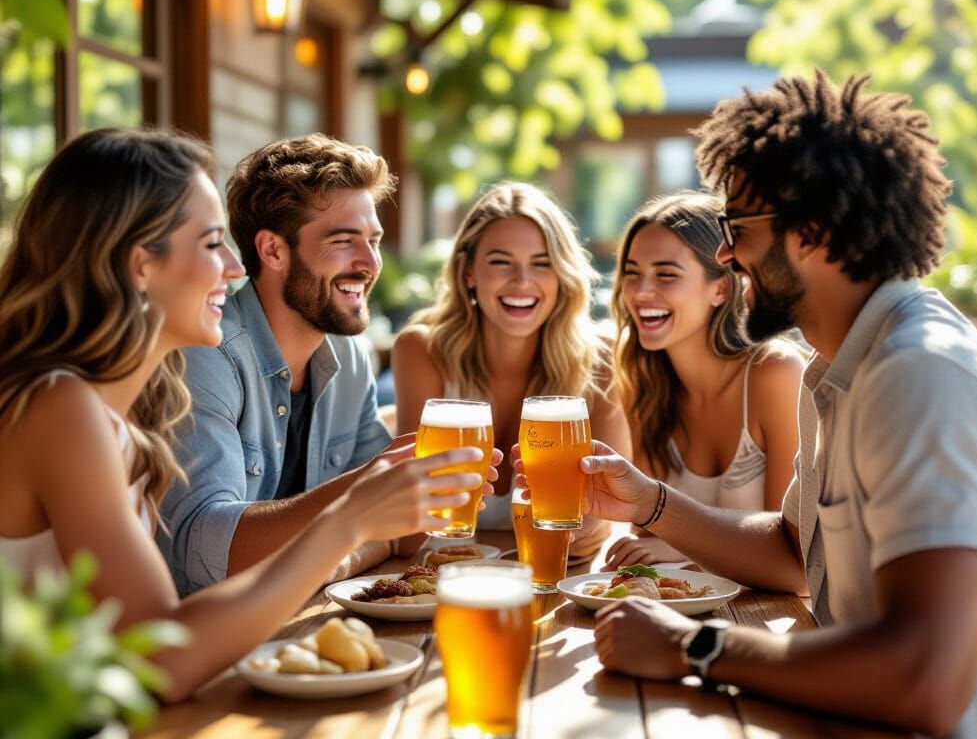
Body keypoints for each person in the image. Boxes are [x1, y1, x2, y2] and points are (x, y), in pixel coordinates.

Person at [532, 72, 977, 739]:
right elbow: (798, 554)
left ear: (813, 233)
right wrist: (651, 503)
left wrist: (695, 645)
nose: (726, 255)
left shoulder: (919, 375)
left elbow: (926, 677)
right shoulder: (838, 367)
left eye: (739, 229)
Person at [0, 128, 488, 700]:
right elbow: (162, 658)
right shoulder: (63, 409)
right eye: (212, 244)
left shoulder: (124, 412)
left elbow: (156, 638)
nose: (235, 268)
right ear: (140, 266)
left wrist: (367, 513)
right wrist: (348, 520)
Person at [160, 134, 422, 595]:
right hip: (206, 649)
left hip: (301, 629)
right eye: (344, 241)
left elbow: (394, 532)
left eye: (373, 240)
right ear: (273, 251)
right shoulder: (206, 356)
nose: (369, 262)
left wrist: (343, 554)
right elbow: (204, 550)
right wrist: (359, 496)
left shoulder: (349, 356)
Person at [392, 182, 630, 557]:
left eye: (542, 264)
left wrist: (589, 531)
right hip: (442, 583)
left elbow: (599, 523)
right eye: (501, 262)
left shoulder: (600, 360)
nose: (522, 281)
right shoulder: (422, 350)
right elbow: (409, 532)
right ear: (468, 272)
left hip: (553, 587)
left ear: (563, 276)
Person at [604, 191, 802, 569]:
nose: (641, 291)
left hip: (768, 618)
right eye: (632, 273)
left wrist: (680, 546)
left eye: (666, 274)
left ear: (721, 288)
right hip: (677, 608)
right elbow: (644, 539)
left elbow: (792, 546)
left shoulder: (775, 374)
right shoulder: (643, 383)